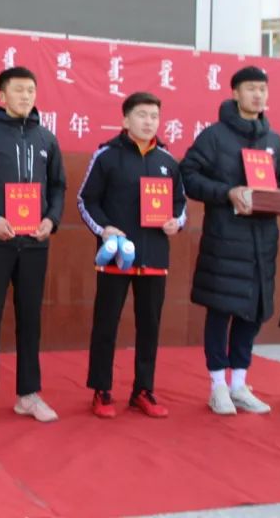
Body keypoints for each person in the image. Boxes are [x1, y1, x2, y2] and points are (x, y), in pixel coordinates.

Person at [0, 66, 66, 426]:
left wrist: (51, 219)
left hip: (34, 243)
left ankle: (28, 395)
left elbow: (58, 187)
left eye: (31, 90)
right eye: (18, 90)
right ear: (2, 96)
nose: (26, 96)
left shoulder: (46, 138)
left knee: (30, 319)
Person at [180, 66, 280, 416]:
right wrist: (227, 192)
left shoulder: (273, 141)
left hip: (262, 241)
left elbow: (278, 181)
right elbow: (188, 175)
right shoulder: (214, 136)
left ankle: (239, 383)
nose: (258, 95)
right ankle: (217, 386)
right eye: (251, 88)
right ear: (235, 93)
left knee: (252, 310)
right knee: (221, 309)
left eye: (263, 89)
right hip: (226, 239)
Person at [77, 92, 186, 419]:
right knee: (106, 325)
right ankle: (101, 389)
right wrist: (104, 229)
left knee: (150, 327)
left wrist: (176, 222)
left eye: (154, 116)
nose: (149, 121)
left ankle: (143, 389)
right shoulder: (106, 156)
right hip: (116, 256)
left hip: (155, 258)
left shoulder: (168, 161)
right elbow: (86, 200)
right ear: (125, 120)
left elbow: (180, 204)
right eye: (141, 115)